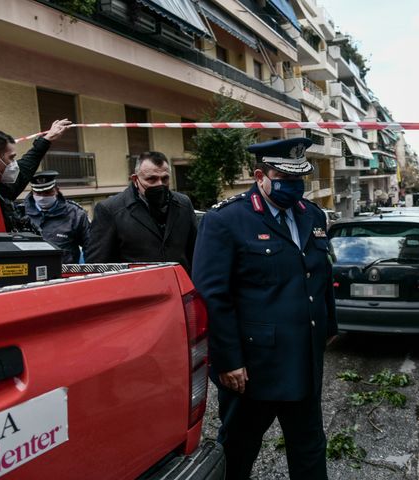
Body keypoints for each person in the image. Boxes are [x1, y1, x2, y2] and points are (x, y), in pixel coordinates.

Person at [192, 138, 337, 480]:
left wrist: (328, 328)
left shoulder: (312, 215)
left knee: (310, 448)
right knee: (239, 450)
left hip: (304, 361)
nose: (294, 187)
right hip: (253, 370)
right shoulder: (226, 220)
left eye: (300, 179)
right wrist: (228, 360)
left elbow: (319, 275)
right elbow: (213, 295)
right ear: (260, 176)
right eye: (285, 179)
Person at [85, 151, 196, 271]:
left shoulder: (183, 203)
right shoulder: (110, 210)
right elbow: (97, 265)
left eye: (165, 178)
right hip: (136, 288)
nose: (160, 184)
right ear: (135, 179)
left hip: (182, 287)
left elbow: (196, 251)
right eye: (151, 179)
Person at [0, 119, 72, 232]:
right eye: (11, 158)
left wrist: (47, 139)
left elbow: (27, 164)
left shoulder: (2, 191)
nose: (14, 164)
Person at [23, 170, 90, 263]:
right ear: (32, 192)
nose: (42, 197)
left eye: (47, 192)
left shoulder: (75, 215)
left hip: (64, 274)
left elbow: (90, 246)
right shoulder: (21, 213)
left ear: (57, 190)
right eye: (38, 193)